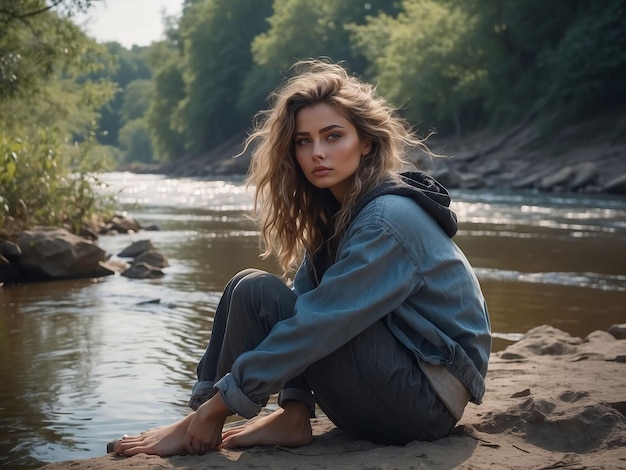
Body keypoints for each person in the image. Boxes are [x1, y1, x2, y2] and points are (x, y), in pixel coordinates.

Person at [112, 58, 491, 457]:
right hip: (397, 377)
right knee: (251, 288)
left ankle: (203, 418)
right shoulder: (341, 212)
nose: (317, 153)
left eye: (332, 136)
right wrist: (284, 396)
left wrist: (222, 404)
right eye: (303, 141)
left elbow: (318, 326)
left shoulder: (385, 220)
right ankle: (284, 415)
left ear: (365, 141)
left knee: (307, 315)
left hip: (422, 404)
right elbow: (307, 303)